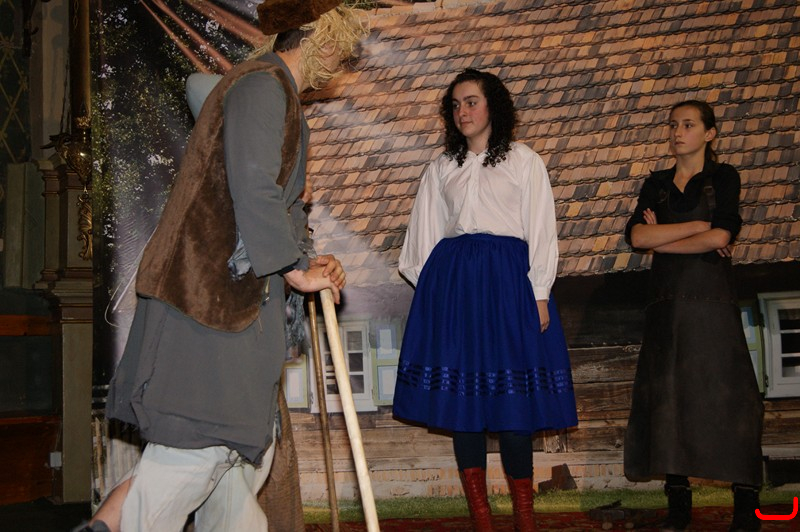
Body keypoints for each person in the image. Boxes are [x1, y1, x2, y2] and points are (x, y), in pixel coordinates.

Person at [78, 2, 368, 531]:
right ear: (320, 38)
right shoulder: (262, 87)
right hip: (209, 307)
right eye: (338, 48)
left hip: (229, 307)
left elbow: (270, 197)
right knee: (195, 455)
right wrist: (296, 268)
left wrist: (305, 257)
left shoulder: (265, 89)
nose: (338, 62)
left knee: (234, 471)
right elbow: (254, 185)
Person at [393, 68, 578, 532]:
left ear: (493, 105)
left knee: (514, 409)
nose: (463, 112)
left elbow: (541, 231)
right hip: (456, 291)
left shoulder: (523, 160)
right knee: (464, 409)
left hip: (510, 287)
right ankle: (481, 518)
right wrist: (437, 295)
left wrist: (539, 293)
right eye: (456, 105)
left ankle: (524, 518)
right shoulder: (441, 168)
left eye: (471, 101)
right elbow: (420, 242)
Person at [623, 100, 764, 532]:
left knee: (730, 399)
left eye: (688, 125)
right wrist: (697, 228)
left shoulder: (724, 177)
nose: (677, 132)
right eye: (673, 125)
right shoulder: (657, 183)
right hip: (666, 306)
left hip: (713, 304)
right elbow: (637, 236)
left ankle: (745, 507)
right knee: (668, 402)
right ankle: (679, 508)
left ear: (709, 133)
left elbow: (723, 236)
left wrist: (663, 239)